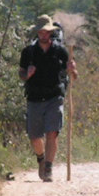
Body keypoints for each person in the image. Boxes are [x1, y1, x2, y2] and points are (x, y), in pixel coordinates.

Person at [19, 14, 77, 182]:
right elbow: (21, 73)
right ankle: (41, 159)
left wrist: (72, 69)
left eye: (46, 32)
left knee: (52, 133)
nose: (43, 34)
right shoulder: (28, 52)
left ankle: (49, 169)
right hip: (34, 98)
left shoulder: (60, 51)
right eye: (41, 32)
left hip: (54, 97)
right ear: (37, 33)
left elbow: (74, 76)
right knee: (35, 137)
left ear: (51, 32)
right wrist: (26, 75)